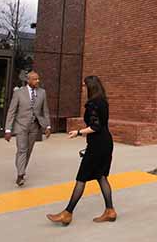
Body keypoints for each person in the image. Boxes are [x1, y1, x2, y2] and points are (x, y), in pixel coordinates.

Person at [46, 75, 116, 226]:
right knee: (101, 176)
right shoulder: (103, 101)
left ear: (90, 87)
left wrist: (78, 132)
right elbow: (101, 125)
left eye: (84, 86)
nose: (83, 88)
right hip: (106, 142)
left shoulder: (93, 104)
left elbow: (96, 126)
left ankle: (67, 213)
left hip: (97, 145)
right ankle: (110, 211)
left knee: (81, 177)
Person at [4, 70, 51, 186]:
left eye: (38, 79)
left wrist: (48, 126)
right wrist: (8, 129)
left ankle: (22, 169)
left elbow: (45, 111)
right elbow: (11, 112)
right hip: (21, 126)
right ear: (28, 80)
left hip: (34, 127)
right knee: (22, 150)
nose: (37, 81)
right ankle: (20, 174)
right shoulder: (19, 93)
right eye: (35, 79)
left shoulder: (42, 93)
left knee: (28, 151)